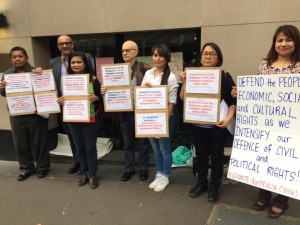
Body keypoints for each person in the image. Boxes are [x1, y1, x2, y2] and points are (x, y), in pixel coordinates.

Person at [232, 25, 300, 218]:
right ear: (274, 43)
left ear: (295, 42)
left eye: (288, 40)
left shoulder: (299, 66)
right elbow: (259, 92)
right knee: (263, 159)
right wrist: (242, 92)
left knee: (284, 161)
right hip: (264, 123)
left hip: (290, 125)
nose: (283, 44)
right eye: (280, 40)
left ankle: (281, 200)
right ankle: (264, 193)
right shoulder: (265, 64)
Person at [180, 42, 236, 202]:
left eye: (212, 54)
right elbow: (183, 98)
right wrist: (184, 82)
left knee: (217, 156)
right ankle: (202, 182)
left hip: (217, 125)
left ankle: (214, 185)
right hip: (198, 125)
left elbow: (233, 101)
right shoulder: (192, 75)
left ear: (218, 58)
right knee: (201, 155)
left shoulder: (224, 76)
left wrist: (228, 119)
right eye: (205, 53)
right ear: (200, 57)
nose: (208, 56)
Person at [101, 40, 151, 182]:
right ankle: (129, 168)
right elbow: (110, 89)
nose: (124, 53)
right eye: (123, 50)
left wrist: (150, 88)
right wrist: (104, 90)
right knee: (127, 143)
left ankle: (143, 168)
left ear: (136, 52)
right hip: (124, 112)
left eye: (128, 50)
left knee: (143, 143)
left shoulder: (145, 68)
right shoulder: (116, 69)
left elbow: (153, 87)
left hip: (141, 111)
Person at [0, 47, 50, 181]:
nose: (17, 59)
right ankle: (26, 168)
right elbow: (5, 94)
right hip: (16, 113)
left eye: (20, 56)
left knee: (39, 141)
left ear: (26, 58)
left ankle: (42, 167)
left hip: (36, 114)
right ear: (11, 59)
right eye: (14, 57)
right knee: (20, 143)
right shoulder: (7, 74)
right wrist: (2, 88)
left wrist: (41, 74)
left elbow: (45, 89)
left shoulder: (36, 72)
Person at [57, 51, 102, 189]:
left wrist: (97, 98)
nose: (76, 65)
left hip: (90, 119)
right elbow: (64, 98)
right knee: (79, 148)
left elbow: (102, 97)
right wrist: (61, 100)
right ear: (69, 64)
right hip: (73, 119)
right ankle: (84, 173)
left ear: (85, 63)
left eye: (79, 62)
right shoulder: (66, 80)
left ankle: (92, 175)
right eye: (73, 62)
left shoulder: (93, 80)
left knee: (90, 148)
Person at [142, 43, 179, 192]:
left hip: (164, 118)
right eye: (155, 55)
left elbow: (172, 102)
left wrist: (162, 124)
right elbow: (142, 95)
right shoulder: (149, 73)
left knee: (164, 150)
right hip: (149, 117)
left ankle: (165, 176)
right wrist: (145, 90)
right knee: (155, 150)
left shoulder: (171, 77)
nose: (157, 58)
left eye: (161, 55)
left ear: (167, 58)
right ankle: (158, 174)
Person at [49, 35, 80, 175]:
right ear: (58, 46)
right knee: (71, 136)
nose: (65, 45)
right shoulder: (53, 62)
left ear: (72, 44)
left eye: (68, 43)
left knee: (82, 136)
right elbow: (50, 83)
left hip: (81, 105)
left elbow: (90, 76)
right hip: (64, 106)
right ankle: (77, 162)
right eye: (62, 43)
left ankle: (87, 163)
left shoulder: (81, 58)